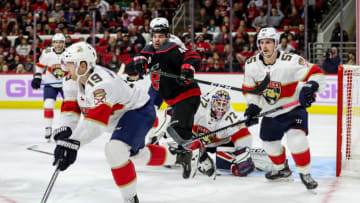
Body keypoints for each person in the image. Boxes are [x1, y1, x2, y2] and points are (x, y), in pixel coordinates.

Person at [54, 41, 198, 203]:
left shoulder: (102, 85)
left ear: (83, 66)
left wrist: (74, 142)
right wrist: (65, 130)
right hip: (119, 118)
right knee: (135, 155)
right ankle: (180, 157)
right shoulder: (71, 80)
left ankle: (130, 199)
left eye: (69, 64)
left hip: (138, 111)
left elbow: (95, 123)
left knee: (115, 150)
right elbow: (71, 107)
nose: (65, 68)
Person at [242, 27, 325, 190]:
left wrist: (311, 86)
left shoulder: (291, 61)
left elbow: (316, 73)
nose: (264, 46)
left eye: (269, 42)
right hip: (270, 113)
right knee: (269, 144)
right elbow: (249, 90)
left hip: (293, 109)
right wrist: (252, 105)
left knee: (297, 140)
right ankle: (282, 170)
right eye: (262, 43)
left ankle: (305, 173)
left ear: (276, 44)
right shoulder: (251, 65)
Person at [31, 33, 67, 140]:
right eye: (56, 42)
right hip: (50, 84)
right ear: (53, 43)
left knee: (68, 107)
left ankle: (66, 128)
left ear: (64, 43)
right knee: (48, 104)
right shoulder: (47, 53)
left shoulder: (70, 54)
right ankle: (48, 127)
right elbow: (40, 66)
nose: (58, 45)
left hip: (66, 85)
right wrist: (37, 77)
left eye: (60, 42)